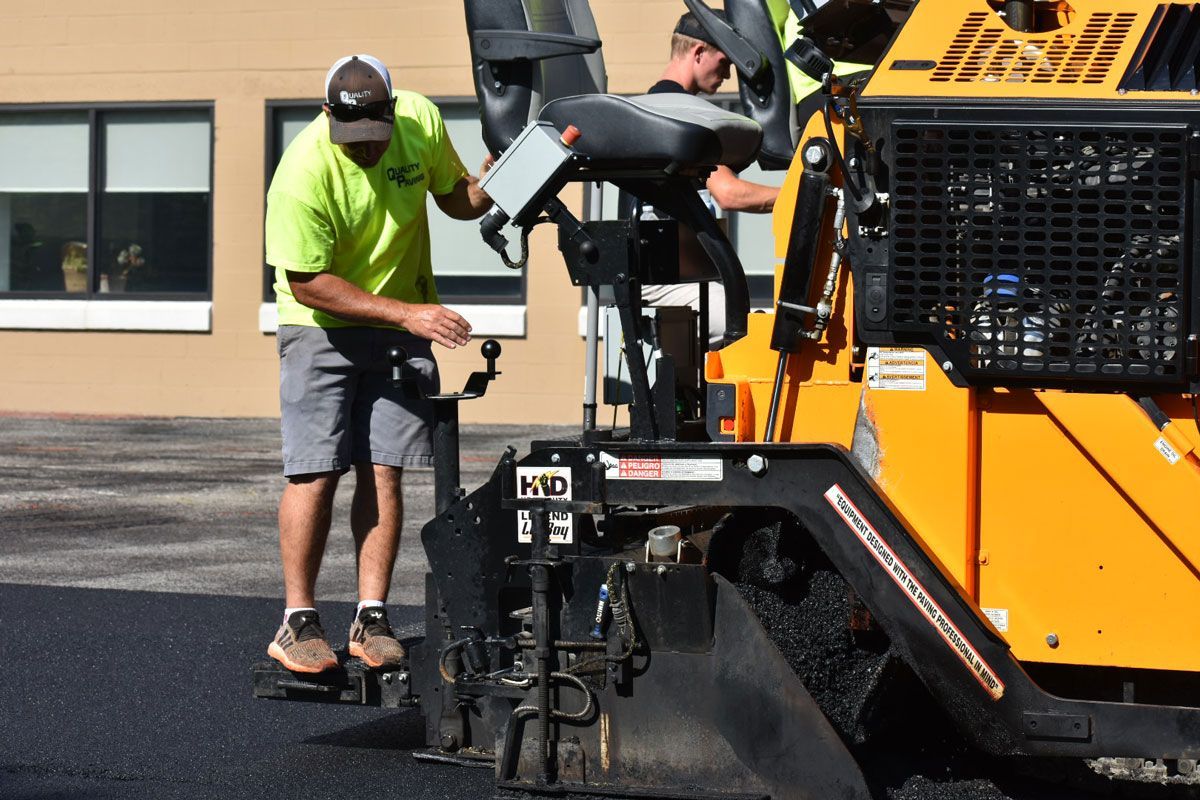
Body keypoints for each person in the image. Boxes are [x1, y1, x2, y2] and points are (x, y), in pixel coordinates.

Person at [263, 54, 493, 673]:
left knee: (384, 469)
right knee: (316, 472)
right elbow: (308, 281)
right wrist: (407, 314)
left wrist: (494, 181)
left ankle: (371, 616)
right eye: (351, 140)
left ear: (393, 113)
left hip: (397, 323)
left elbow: (457, 201)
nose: (364, 151)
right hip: (321, 327)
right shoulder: (302, 172)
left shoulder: (420, 118)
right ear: (326, 115)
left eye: (374, 138)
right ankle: (297, 621)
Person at [631, 10, 781, 348]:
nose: (728, 76)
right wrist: (802, 196)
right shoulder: (679, 114)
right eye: (725, 62)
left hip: (677, 271)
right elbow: (728, 193)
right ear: (699, 52)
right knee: (755, 336)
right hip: (661, 279)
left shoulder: (655, 106)